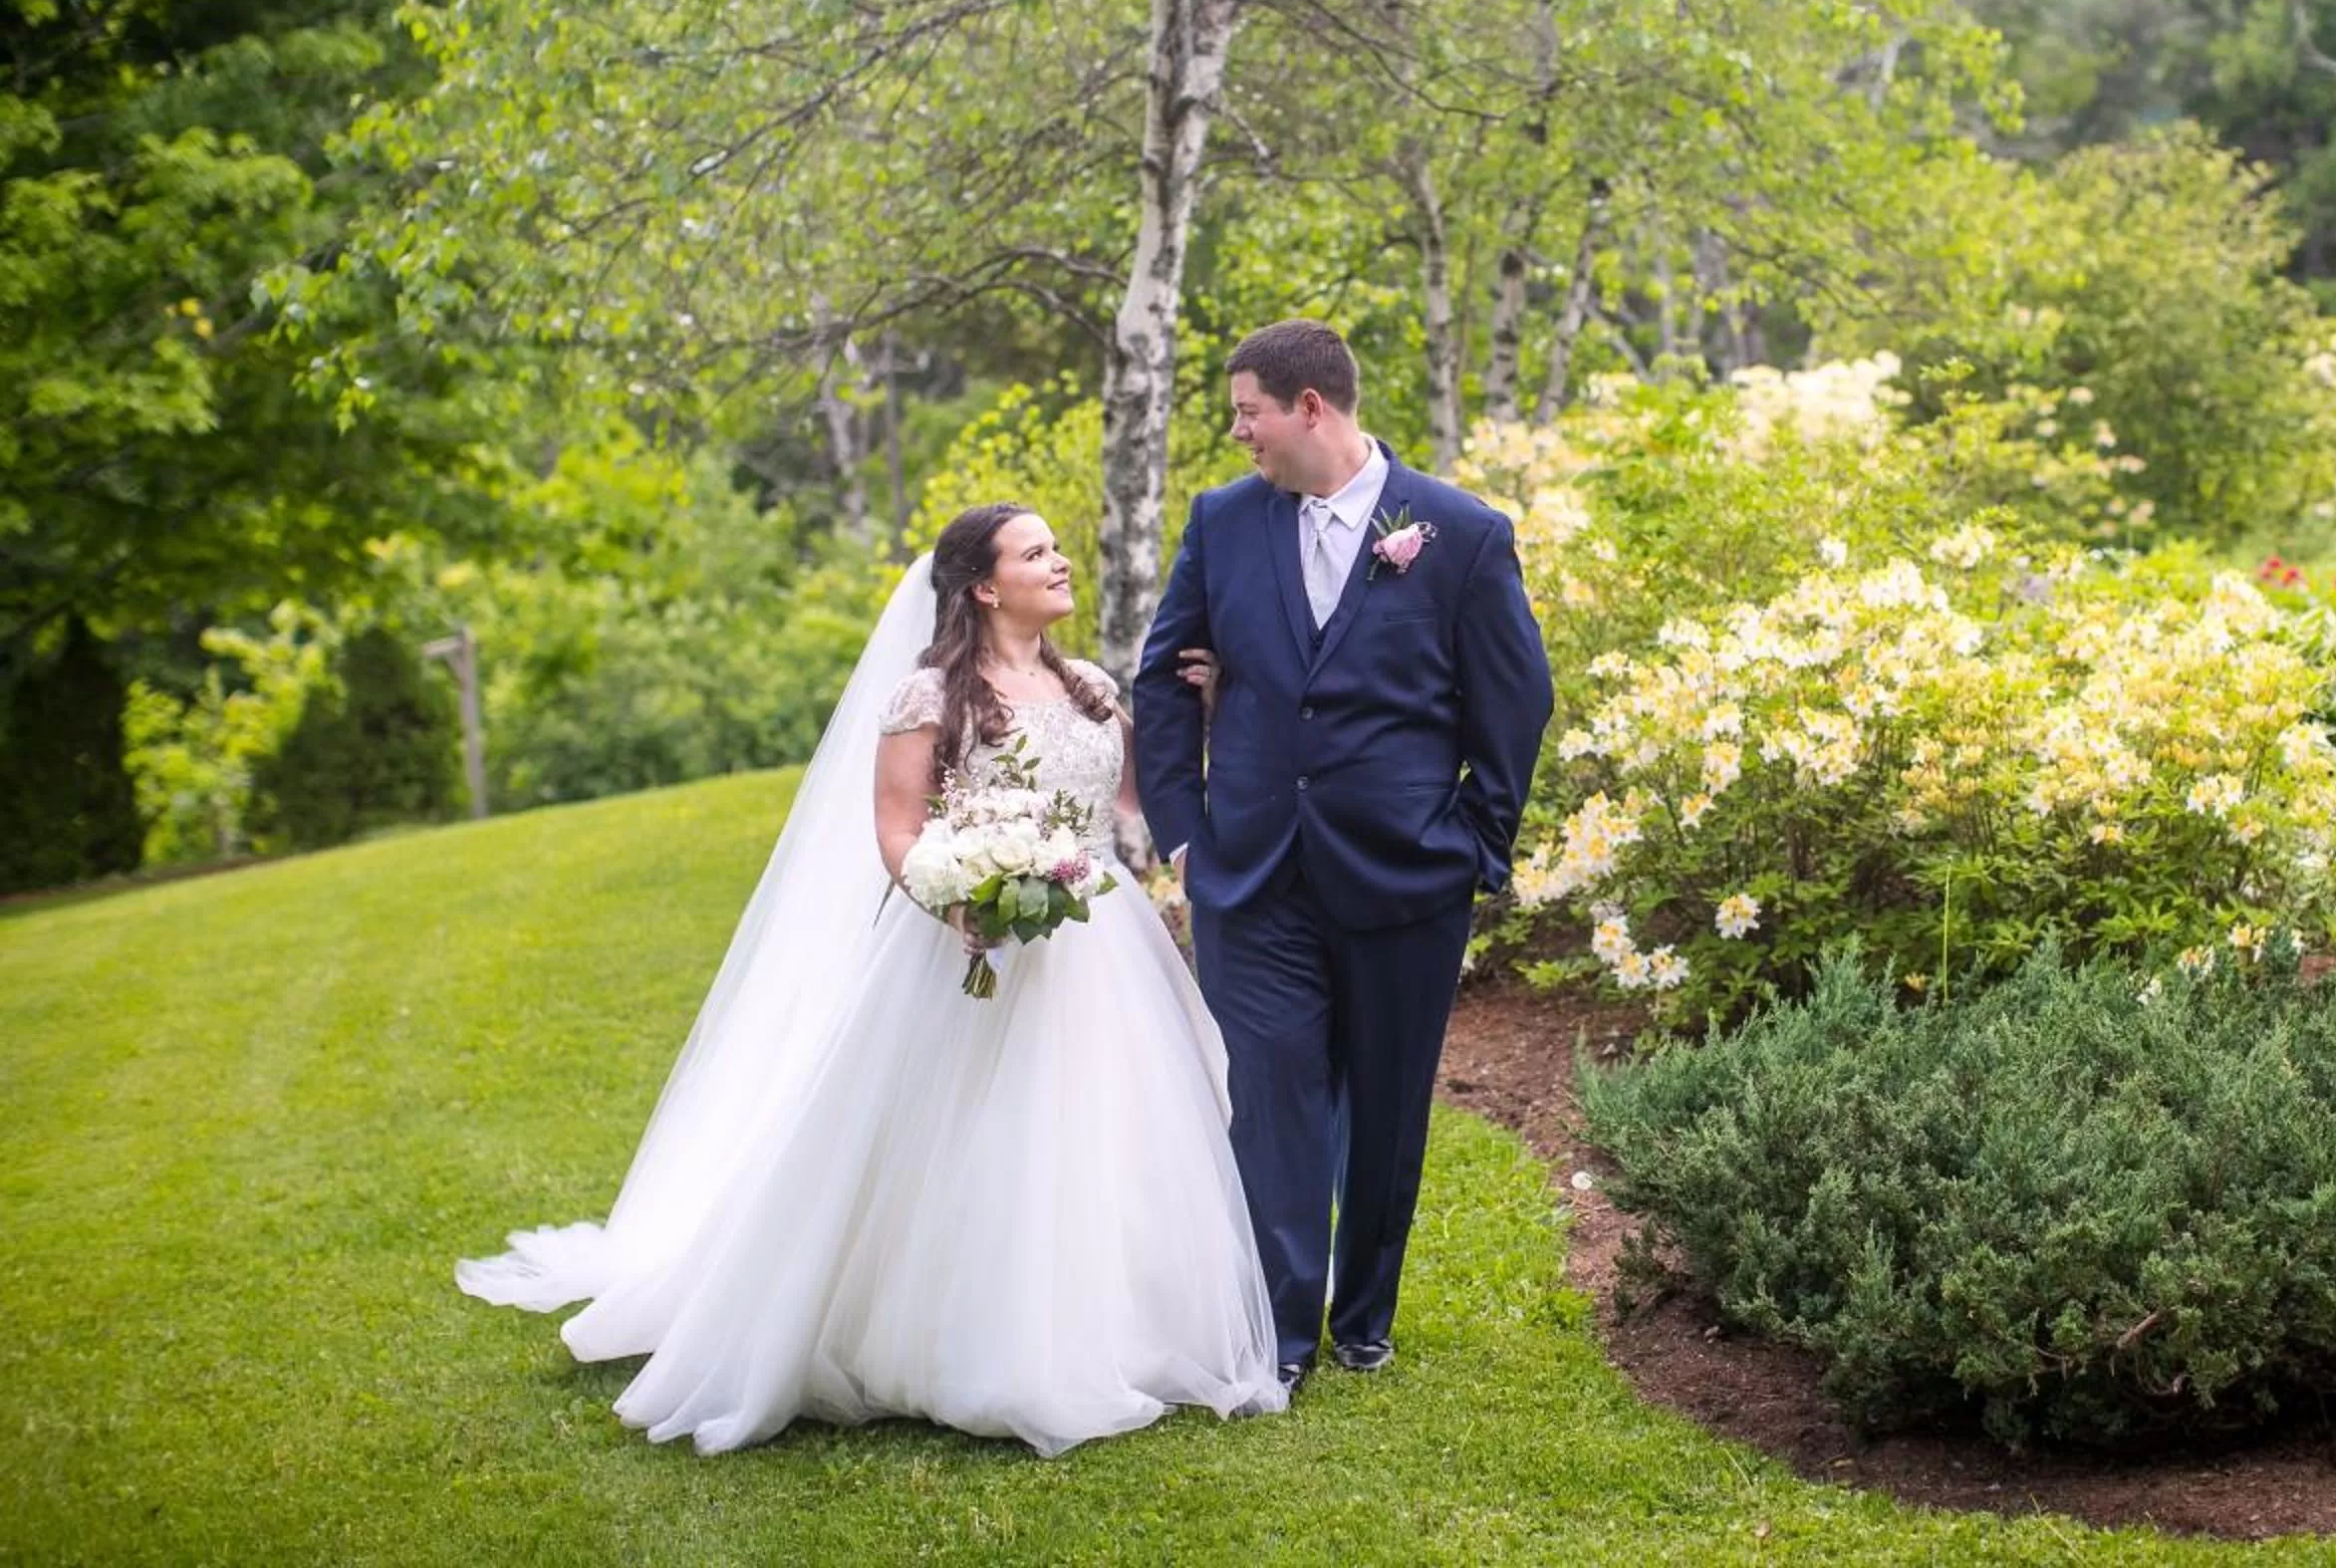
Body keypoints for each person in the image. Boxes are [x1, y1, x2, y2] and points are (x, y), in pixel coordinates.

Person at [455, 504, 1284, 1453]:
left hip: (1104, 939)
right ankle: (958, 1335)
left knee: (1104, 1128)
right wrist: (963, 894)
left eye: (1057, 549)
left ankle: (1127, 1324)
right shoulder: (930, 696)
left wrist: (1214, 713)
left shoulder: (1091, 687)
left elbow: (1137, 795)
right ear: (983, 585)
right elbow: (896, 828)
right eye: (1037, 553)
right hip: (975, 941)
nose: (1061, 563)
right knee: (975, 1131)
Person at [1134, 319, 1553, 1393]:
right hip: (1252, 871)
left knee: (1385, 1104)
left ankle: (1363, 1312)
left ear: (1310, 406)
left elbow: (1515, 699)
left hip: (1406, 874)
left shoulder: (1459, 533)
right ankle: (1279, 1322)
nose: (1239, 433)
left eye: (1247, 411)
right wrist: (1182, 825)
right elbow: (1160, 679)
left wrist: (1476, 843)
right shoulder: (1223, 523)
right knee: (1270, 1092)